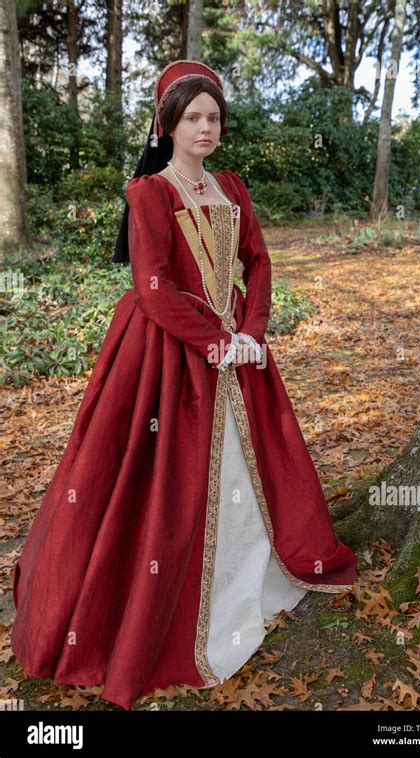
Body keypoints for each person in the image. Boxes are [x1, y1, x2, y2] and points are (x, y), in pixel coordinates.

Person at [10, 60, 357, 711]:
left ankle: (250, 582)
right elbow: (151, 287)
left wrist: (250, 330)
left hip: (238, 350)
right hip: (166, 359)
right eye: (193, 117)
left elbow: (258, 259)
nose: (205, 127)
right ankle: (165, 611)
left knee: (255, 468)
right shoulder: (148, 193)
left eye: (213, 117)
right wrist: (215, 343)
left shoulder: (232, 187)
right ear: (167, 124)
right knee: (160, 480)